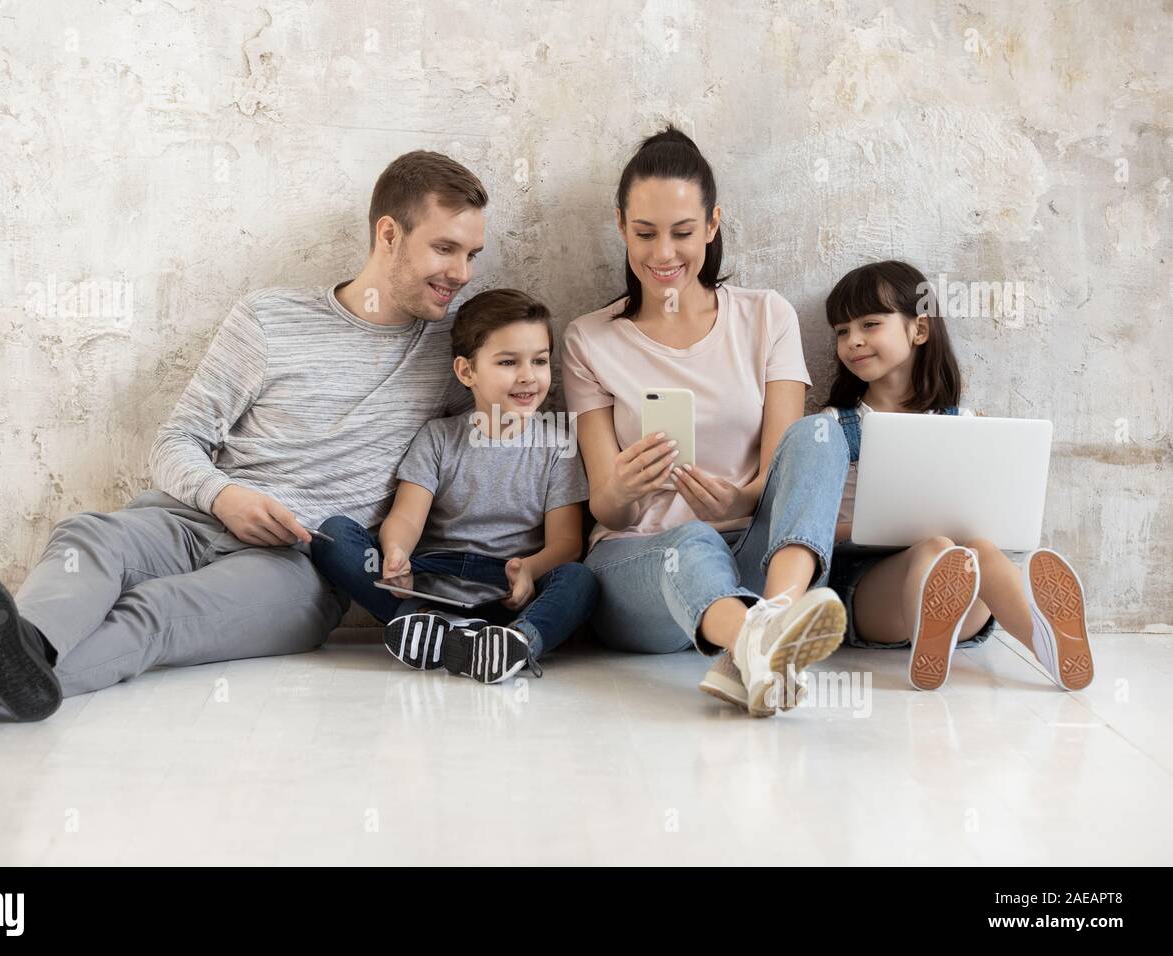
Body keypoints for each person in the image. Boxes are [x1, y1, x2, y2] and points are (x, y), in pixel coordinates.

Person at [0, 150, 489, 720]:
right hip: (190, 520)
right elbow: (176, 440)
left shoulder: (454, 357)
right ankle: (7, 656)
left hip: (300, 568)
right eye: (444, 249)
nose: (460, 274)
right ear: (388, 234)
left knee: (155, 613)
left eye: (471, 255)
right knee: (89, 536)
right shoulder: (270, 317)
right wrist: (224, 496)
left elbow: (510, 418)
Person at [561, 127, 849, 718]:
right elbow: (604, 509)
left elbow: (782, 468)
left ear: (712, 224)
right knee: (690, 540)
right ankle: (761, 643)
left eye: (683, 232)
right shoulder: (588, 339)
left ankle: (773, 617)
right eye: (644, 233)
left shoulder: (766, 315)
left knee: (822, 432)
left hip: (748, 553)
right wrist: (624, 488)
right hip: (642, 564)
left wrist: (737, 499)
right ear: (620, 226)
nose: (663, 254)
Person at [820, 259, 1094, 691]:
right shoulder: (834, 426)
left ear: (920, 330)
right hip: (868, 596)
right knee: (934, 546)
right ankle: (928, 634)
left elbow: (990, 513)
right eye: (841, 331)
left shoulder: (965, 423)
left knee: (977, 547)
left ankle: (1050, 649)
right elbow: (810, 527)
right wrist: (870, 528)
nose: (852, 340)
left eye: (870, 324)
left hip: (967, 599)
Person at [311, 289, 598, 684]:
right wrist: (397, 554)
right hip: (432, 580)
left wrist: (528, 570)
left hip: (509, 587)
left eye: (540, 361)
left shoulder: (557, 445)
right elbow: (406, 518)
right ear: (466, 372)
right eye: (508, 362)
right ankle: (427, 623)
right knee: (334, 536)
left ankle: (514, 641)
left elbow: (566, 543)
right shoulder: (439, 438)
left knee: (580, 580)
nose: (529, 376)